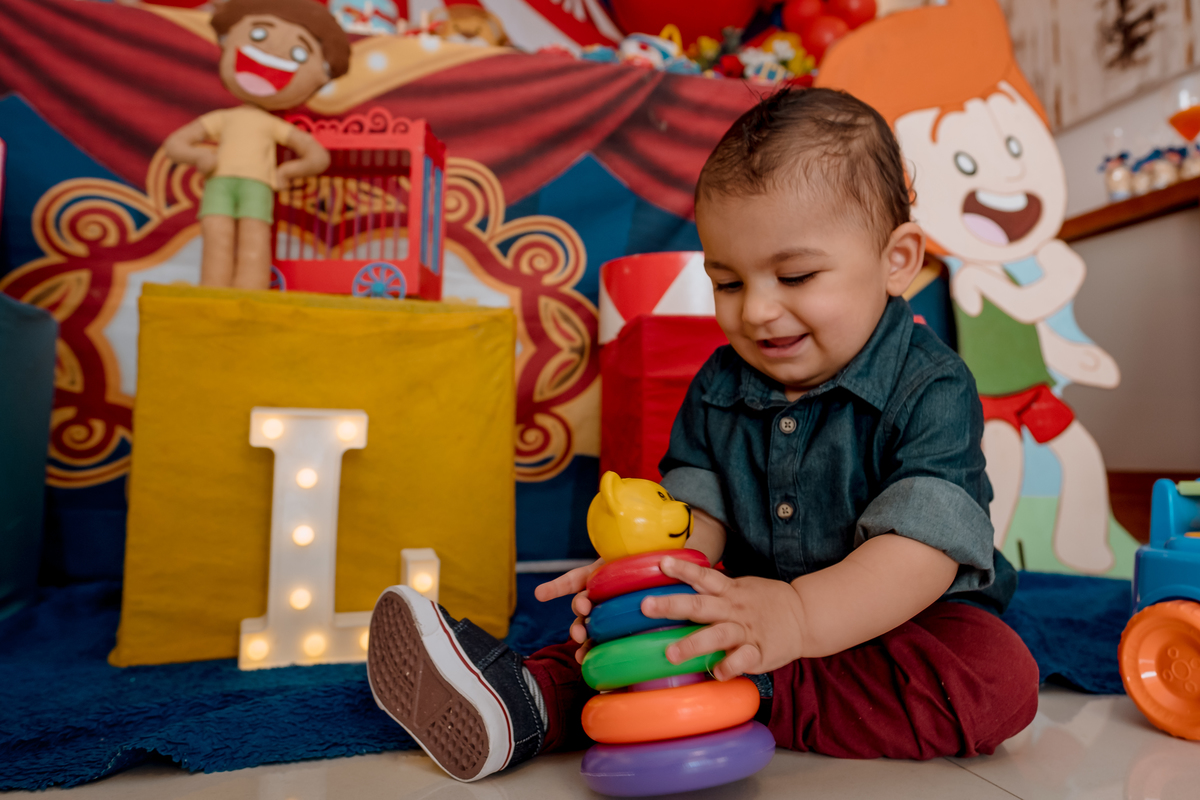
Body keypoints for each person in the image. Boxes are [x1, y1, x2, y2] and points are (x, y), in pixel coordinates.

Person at [364, 87, 1039, 783]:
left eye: (795, 275)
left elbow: (921, 554)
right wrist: (648, 580)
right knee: (642, 628)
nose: (759, 310)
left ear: (897, 260)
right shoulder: (719, 383)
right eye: (728, 283)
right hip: (741, 608)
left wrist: (796, 618)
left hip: (900, 623)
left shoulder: (932, 385)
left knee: (997, 679)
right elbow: (698, 516)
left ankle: (750, 691)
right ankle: (524, 702)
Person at [816, 0, 1122, 574]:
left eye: (1013, 147)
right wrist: (1062, 276)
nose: (1007, 177)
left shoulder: (1018, 265)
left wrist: (1070, 352)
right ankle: (983, 554)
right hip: (991, 402)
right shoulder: (975, 276)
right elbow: (1024, 306)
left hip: (1035, 390)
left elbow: (1033, 330)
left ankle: (1084, 545)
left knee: (1077, 453)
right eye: (963, 161)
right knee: (998, 468)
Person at [164, 0, 350, 290]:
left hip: (257, 185)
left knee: (255, 237)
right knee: (216, 233)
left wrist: (287, 172)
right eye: (259, 35)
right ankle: (213, 290)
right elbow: (175, 143)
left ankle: (248, 292)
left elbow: (316, 156)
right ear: (228, 40)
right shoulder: (223, 119)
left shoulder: (273, 126)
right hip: (220, 183)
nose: (273, 54)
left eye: (299, 53)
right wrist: (199, 157)